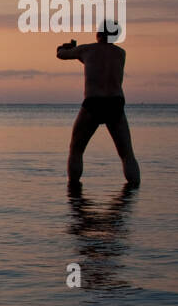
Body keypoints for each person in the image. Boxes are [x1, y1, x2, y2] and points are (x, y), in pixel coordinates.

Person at [57, 20, 140, 187]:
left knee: (76, 149)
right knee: (126, 154)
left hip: (93, 102)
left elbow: (61, 54)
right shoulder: (120, 53)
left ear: (99, 34)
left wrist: (64, 46)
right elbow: (101, 64)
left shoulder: (87, 49)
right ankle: (133, 190)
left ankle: (74, 189)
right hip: (115, 104)